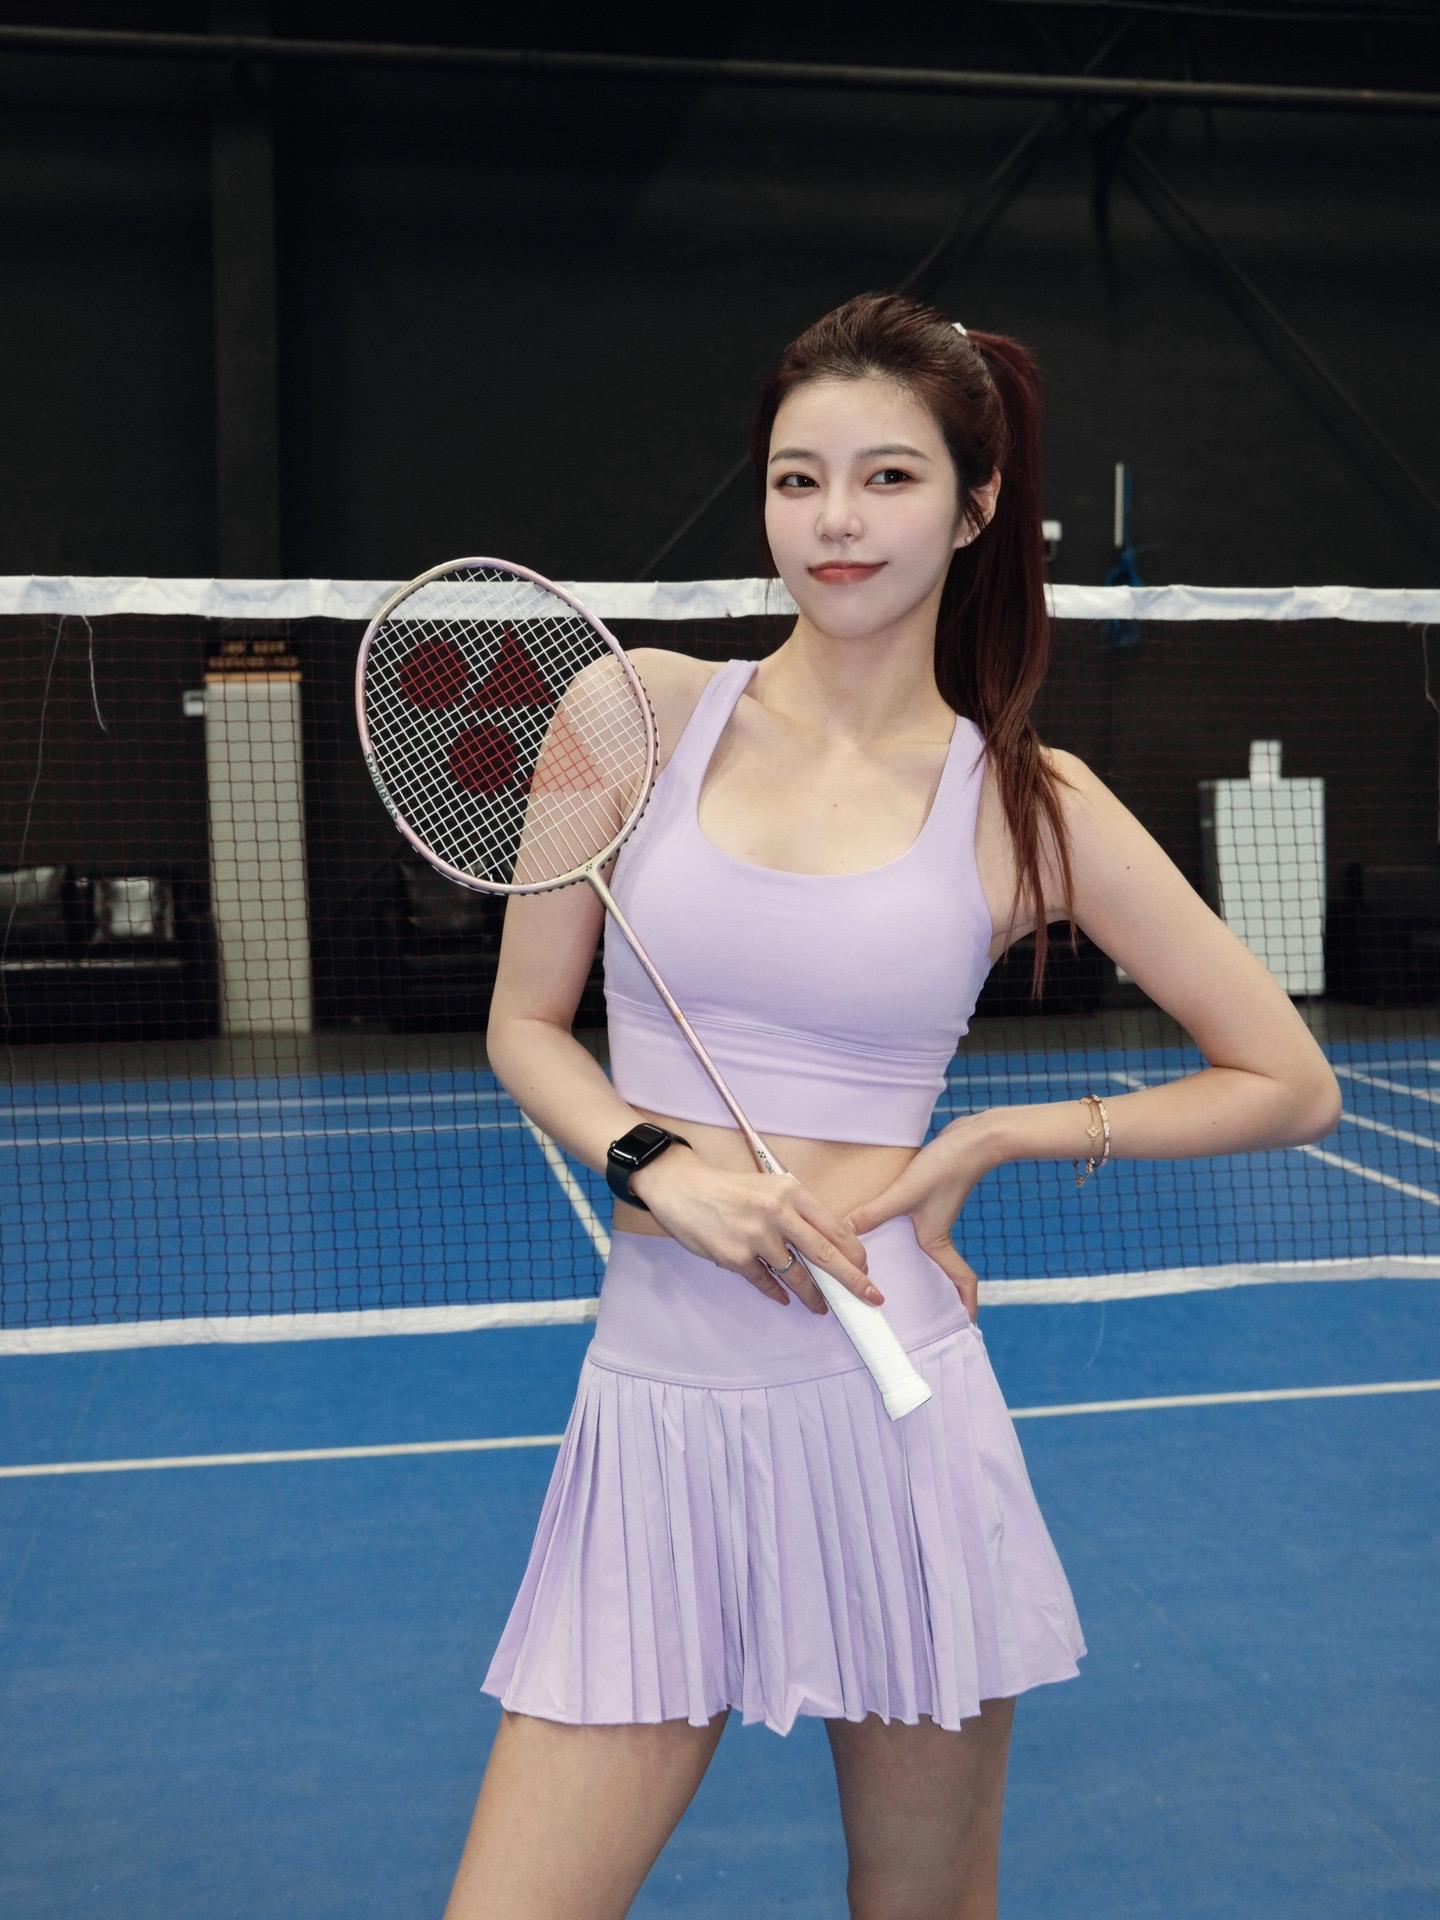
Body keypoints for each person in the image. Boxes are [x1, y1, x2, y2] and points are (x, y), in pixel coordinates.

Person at [444, 292, 1342, 1919]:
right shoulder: (630, 712)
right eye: (798, 481)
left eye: (888, 478)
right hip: (656, 1411)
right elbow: (525, 1024)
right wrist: (660, 1168)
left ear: (977, 507)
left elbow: (1289, 1079)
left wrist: (994, 1137)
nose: (836, 522)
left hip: (896, 1415)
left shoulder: (1029, 801)